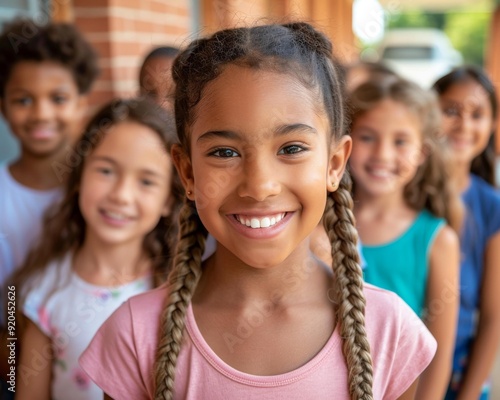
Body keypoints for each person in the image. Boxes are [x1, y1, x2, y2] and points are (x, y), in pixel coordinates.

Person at [80, 22, 437, 400]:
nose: (259, 185)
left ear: (334, 164)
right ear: (187, 172)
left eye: (292, 148)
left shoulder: (388, 330)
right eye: (224, 152)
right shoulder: (136, 335)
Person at [12, 98, 183, 400]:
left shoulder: (182, 290)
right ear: (79, 175)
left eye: (146, 181)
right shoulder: (44, 290)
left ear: (168, 200)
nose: (121, 195)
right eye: (106, 171)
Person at [0, 18, 99, 397]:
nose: (41, 114)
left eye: (57, 98)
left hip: (96, 368)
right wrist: (13, 365)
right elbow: (9, 305)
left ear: (81, 102)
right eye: (24, 99)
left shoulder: (101, 189)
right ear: (4, 106)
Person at [348, 77, 461, 399]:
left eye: (400, 142)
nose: (382, 154)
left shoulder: (437, 241)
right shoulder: (317, 227)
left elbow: (437, 355)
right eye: (368, 137)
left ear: (422, 152)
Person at [433, 66, 500, 400]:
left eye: (478, 115)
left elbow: (493, 319)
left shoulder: (492, 208)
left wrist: (469, 394)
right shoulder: (402, 195)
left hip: (460, 374)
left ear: (492, 125)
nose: (463, 125)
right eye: (450, 111)